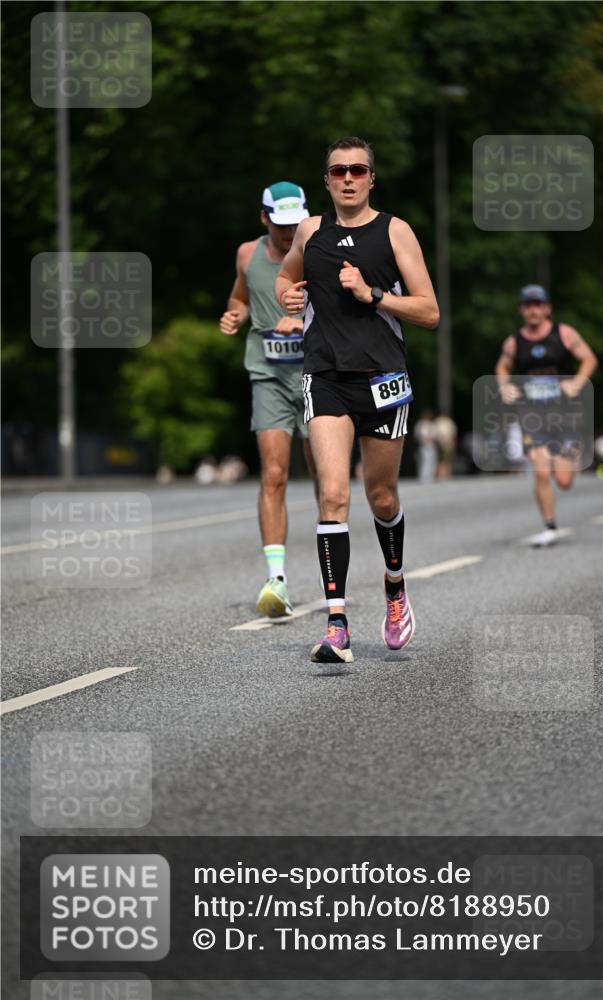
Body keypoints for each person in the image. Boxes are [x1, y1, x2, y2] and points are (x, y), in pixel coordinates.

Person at [276, 136, 439, 663]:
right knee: (331, 494)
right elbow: (285, 273)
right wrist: (288, 293)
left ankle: (394, 586)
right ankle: (337, 623)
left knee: (382, 496)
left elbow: (429, 311)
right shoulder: (310, 231)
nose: (348, 178)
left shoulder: (395, 231)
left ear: (372, 177)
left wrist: (374, 295)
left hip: (383, 378)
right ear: (326, 180)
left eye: (358, 170)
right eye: (338, 171)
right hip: (324, 376)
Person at [219, 181, 313, 616]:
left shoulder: (321, 249)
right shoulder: (246, 254)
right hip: (269, 376)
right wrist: (237, 313)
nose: (287, 232)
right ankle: (277, 579)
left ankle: (335, 571)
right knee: (274, 474)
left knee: (326, 482)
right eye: (280, 224)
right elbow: (241, 295)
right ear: (264, 219)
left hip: (318, 376)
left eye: (295, 224)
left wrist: (304, 323)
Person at [496, 284, 598, 547]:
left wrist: (577, 382)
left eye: (538, 304)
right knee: (541, 473)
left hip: (566, 416)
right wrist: (504, 386)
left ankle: (565, 458)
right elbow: (502, 366)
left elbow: (589, 359)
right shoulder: (514, 342)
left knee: (563, 481)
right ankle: (549, 526)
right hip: (534, 416)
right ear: (522, 310)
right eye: (528, 305)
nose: (533, 310)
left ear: (547, 308)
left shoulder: (564, 334)